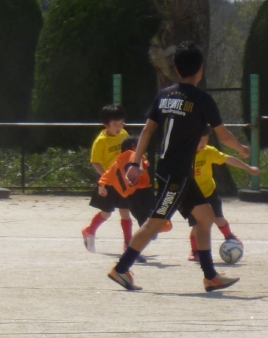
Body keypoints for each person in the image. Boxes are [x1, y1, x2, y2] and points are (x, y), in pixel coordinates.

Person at [109, 42, 249, 292]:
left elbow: (147, 131)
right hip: (176, 175)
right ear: (201, 69)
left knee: (205, 216)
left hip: (173, 171)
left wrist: (135, 162)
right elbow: (224, 136)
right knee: (155, 222)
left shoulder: (164, 95)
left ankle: (210, 276)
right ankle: (120, 269)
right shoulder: (202, 100)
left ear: (176, 69)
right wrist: (241, 149)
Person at [186, 127, 259, 260]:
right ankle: (195, 251)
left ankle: (229, 237)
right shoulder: (183, 154)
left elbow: (228, 159)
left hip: (209, 192)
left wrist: (248, 168)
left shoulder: (209, 151)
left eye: (206, 139)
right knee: (198, 225)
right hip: (192, 196)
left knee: (218, 219)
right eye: (200, 140)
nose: (203, 143)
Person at [82, 104, 135, 252]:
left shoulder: (124, 134)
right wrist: (106, 177)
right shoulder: (101, 141)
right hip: (108, 182)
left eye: (122, 123)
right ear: (106, 124)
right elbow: (95, 162)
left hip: (122, 181)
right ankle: (89, 231)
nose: (119, 127)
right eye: (115, 124)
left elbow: (129, 153)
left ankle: (128, 244)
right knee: (106, 212)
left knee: (125, 211)